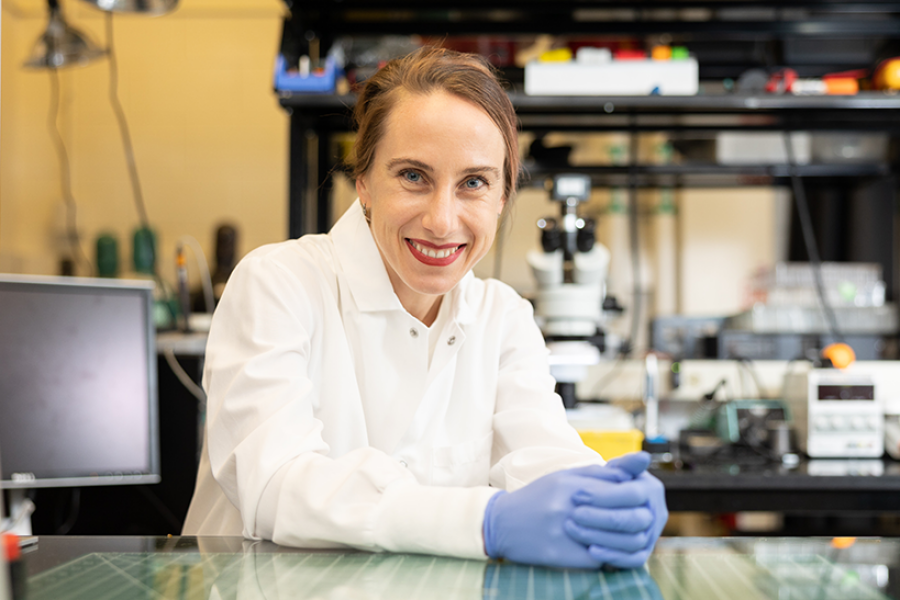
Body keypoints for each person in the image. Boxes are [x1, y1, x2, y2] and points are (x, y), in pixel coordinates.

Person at [183, 46, 667, 569]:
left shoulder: (501, 317)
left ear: (503, 197)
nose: (442, 220)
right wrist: (486, 522)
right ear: (363, 181)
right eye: (413, 176)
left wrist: (597, 497)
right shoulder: (277, 285)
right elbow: (276, 486)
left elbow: (542, 458)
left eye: (474, 183)